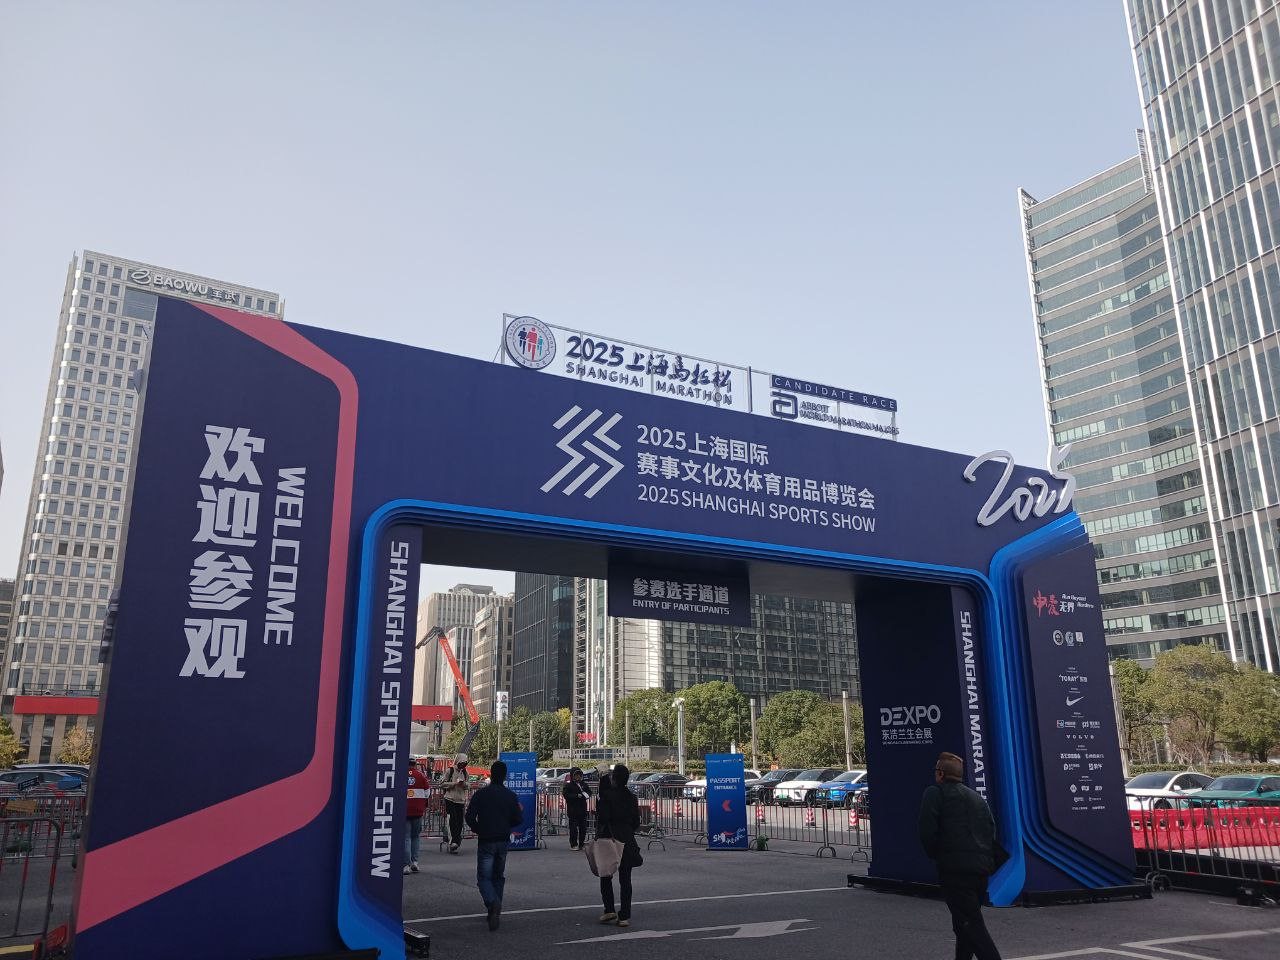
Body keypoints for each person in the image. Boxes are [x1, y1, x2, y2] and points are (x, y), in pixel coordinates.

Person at [918, 751, 1004, 960]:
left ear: (940, 773)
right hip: (981, 871)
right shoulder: (977, 798)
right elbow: (991, 830)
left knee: (971, 926)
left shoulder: (935, 793)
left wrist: (938, 855)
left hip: (955, 871)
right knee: (963, 925)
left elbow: (927, 831)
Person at [464, 760, 523, 931]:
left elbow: (469, 816)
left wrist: (478, 828)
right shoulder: (510, 795)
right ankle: (496, 907)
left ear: (491, 773)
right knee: (498, 876)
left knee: (484, 877)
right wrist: (506, 826)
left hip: (486, 839)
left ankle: (492, 903)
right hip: (503, 839)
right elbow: (518, 818)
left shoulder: (481, 795)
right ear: (505, 776)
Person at [595, 763, 642, 928]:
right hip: (627, 839)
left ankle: (609, 909)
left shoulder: (607, 796)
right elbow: (636, 822)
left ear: (613, 778)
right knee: (625, 879)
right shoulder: (631, 797)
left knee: (606, 875)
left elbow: (603, 817)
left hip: (610, 838)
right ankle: (624, 916)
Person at [404, 759, 430, 874]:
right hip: (418, 811)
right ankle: (415, 862)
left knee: (406, 837)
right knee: (415, 837)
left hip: (404, 810)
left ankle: (406, 865)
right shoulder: (421, 775)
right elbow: (427, 793)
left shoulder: (400, 775)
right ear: (415, 764)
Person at [441, 754, 469, 854]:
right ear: (457, 762)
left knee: (459, 822)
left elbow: (468, 784)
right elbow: (442, 783)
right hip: (450, 799)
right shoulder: (450, 771)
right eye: (461, 763)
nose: (463, 766)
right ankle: (453, 842)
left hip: (460, 800)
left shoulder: (465, 772)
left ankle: (456, 842)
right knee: (452, 820)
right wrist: (454, 784)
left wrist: (463, 784)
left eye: (465, 764)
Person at [562, 767, 592, 851]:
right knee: (573, 828)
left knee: (583, 828)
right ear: (572, 776)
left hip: (582, 809)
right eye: (576, 775)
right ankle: (573, 844)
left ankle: (581, 844)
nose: (578, 777)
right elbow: (566, 795)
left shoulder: (584, 784)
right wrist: (576, 796)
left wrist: (586, 795)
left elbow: (589, 792)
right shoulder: (569, 785)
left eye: (579, 775)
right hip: (573, 810)